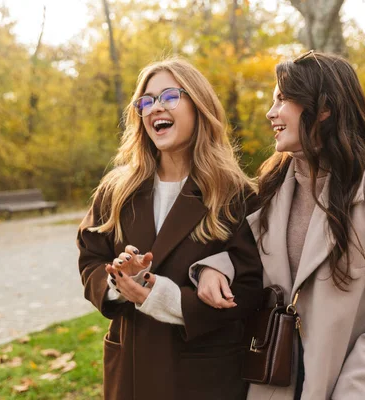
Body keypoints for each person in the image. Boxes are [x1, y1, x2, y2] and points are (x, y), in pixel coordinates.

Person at [189, 51, 365, 400]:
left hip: (350, 388)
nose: (271, 113)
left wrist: (357, 386)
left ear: (324, 108)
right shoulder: (270, 187)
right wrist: (216, 268)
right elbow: (250, 257)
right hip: (274, 381)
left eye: (283, 99)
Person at [76, 58, 264, 400]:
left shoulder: (236, 194)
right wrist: (121, 281)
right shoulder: (116, 189)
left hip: (202, 377)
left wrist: (164, 296)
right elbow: (90, 258)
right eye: (145, 101)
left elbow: (252, 288)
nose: (154, 108)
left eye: (169, 97)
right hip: (130, 374)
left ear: (199, 106)